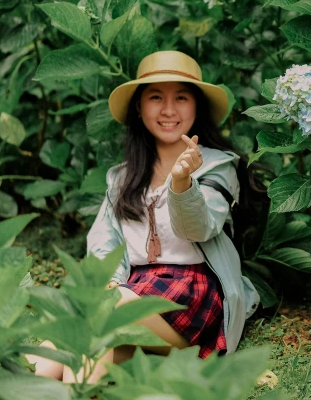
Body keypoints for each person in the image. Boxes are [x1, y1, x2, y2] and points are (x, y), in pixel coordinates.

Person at [27, 51, 260, 383]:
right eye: (155, 97)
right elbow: (106, 242)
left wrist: (182, 184)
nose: (168, 109)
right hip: (135, 292)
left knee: (103, 308)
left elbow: (201, 227)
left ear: (197, 106)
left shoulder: (216, 165)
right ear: (139, 106)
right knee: (59, 351)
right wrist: (108, 280)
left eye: (181, 97)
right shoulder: (122, 177)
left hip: (192, 294)